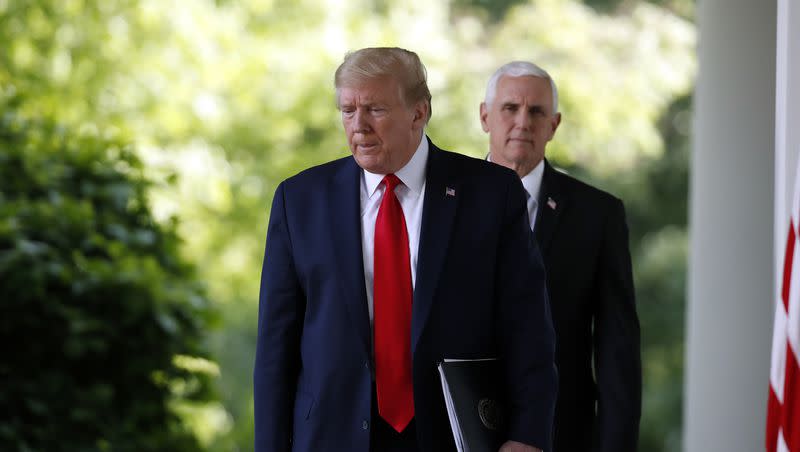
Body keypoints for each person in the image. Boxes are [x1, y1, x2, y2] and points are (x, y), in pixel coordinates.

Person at [254, 48, 558, 452]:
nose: (358, 126)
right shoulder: (300, 200)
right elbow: (276, 347)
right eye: (348, 111)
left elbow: (529, 330)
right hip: (331, 435)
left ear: (419, 112)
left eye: (375, 110)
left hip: (453, 436)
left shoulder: (491, 194)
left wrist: (527, 437)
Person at [479, 61, 642, 451]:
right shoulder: (440, 200)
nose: (523, 121)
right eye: (510, 108)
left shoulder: (597, 214)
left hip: (561, 432)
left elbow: (616, 346)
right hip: (459, 425)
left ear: (554, 124)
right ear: (485, 117)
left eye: (536, 111)